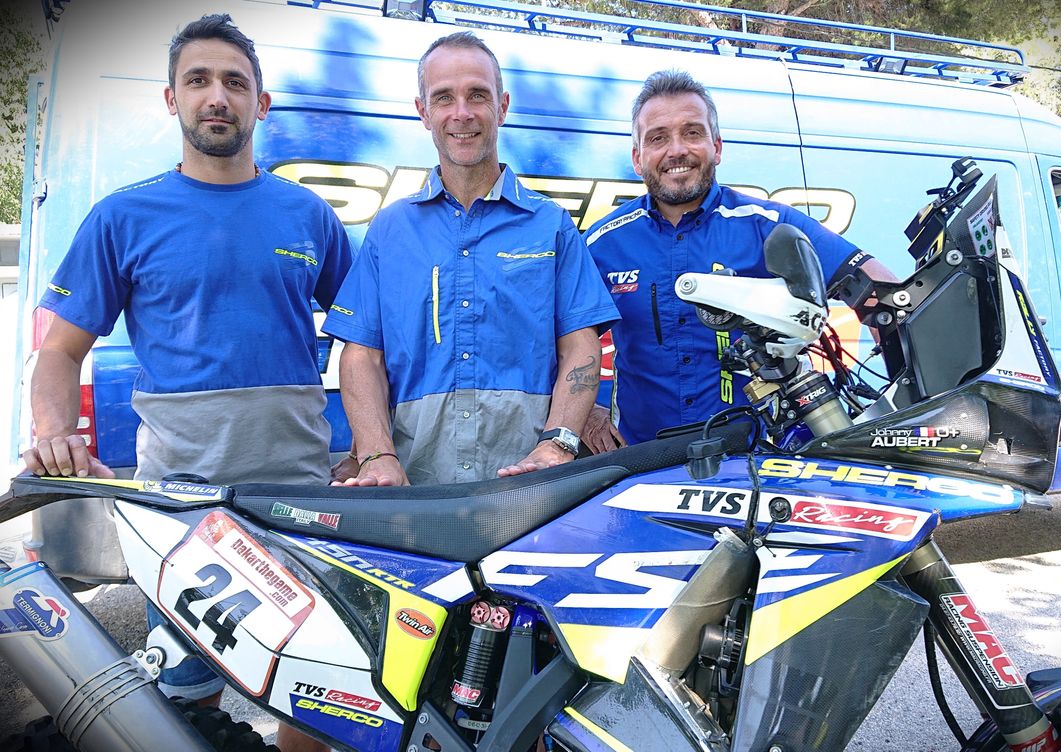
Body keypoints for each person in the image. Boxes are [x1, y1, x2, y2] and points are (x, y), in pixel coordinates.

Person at [21, 15, 351, 752]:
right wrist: (53, 433)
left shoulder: (308, 214)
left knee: (312, 699)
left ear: (261, 102)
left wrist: (373, 443)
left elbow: (369, 340)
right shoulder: (122, 216)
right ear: (172, 99)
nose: (217, 97)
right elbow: (58, 351)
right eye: (198, 81)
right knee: (183, 704)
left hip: (299, 502)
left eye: (235, 82)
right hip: (182, 510)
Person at [324, 31, 618, 487]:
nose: (461, 113)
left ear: (502, 106)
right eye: (444, 97)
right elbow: (362, 355)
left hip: (531, 489)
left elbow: (581, 345)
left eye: (477, 95)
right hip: (415, 491)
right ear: (423, 111)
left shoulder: (552, 226)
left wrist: (558, 443)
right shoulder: (390, 230)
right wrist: (376, 454)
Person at [582, 69, 894, 450]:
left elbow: (880, 293)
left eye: (692, 133)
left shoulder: (769, 224)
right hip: (642, 460)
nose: (676, 150)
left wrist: (907, 394)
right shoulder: (602, 242)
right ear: (637, 157)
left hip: (755, 459)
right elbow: (550, 339)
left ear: (717, 147)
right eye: (658, 138)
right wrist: (586, 414)